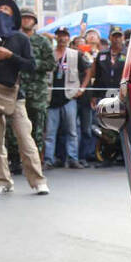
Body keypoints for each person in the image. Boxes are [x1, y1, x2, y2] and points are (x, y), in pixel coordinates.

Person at [0, 0, 49, 196]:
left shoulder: (20, 39)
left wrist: (10, 56)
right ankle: (3, 180)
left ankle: (38, 181)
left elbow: (31, 66)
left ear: (14, 15)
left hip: (16, 96)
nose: (2, 12)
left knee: (26, 139)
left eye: (7, 9)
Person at [44, 27, 89, 169]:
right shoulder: (49, 54)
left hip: (69, 97)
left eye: (65, 36)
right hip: (51, 98)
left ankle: (72, 158)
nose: (62, 38)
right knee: (50, 132)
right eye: (59, 36)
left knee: (72, 131)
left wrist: (82, 88)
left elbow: (88, 70)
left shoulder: (75, 54)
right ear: (56, 37)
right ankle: (48, 160)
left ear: (68, 38)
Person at [19, 9, 54, 160]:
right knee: (17, 128)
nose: (26, 20)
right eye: (23, 18)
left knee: (37, 128)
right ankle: (17, 160)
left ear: (34, 21)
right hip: (18, 90)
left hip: (38, 92)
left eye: (29, 18)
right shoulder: (14, 40)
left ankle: (37, 159)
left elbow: (51, 63)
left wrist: (32, 63)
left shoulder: (42, 41)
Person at [91, 27, 127, 165]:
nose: (117, 39)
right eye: (114, 36)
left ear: (123, 38)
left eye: (119, 36)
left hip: (121, 96)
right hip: (104, 95)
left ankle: (124, 156)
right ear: (110, 38)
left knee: (123, 125)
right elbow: (97, 76)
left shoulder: (127, 54)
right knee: (106, 125)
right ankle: (107, 157)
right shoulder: (101, 55)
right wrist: (94, 95)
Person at [75, 34, 99, 165]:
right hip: (70, 98)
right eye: (78, 43)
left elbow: (92, 74)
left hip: (86, 98)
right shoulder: (70, 57)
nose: (81, 45)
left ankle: (84, 156)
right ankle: (72, 157)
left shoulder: (91, 58)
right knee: (73, 130)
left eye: (83, 43)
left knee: (86, 129)